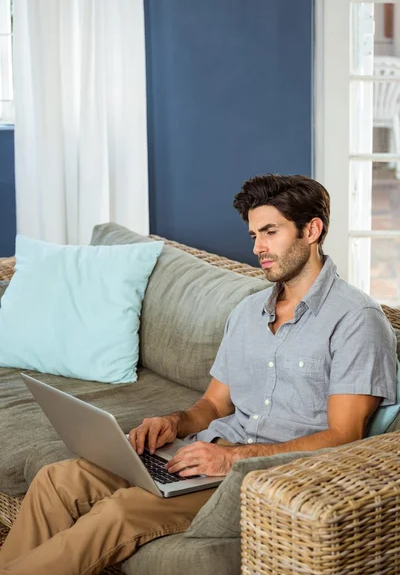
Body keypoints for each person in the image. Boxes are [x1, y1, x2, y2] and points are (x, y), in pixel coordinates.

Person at [0, 174, 396, 575]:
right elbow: (212, 404)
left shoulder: (356, 320)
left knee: (118, 512)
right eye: (254, 234)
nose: (258, 248)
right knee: (58, 479)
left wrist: (231, 458)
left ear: (312, 230)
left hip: (264, 480)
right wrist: (172, 422)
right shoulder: (247, 312)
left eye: (270, 232)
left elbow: (343, 437)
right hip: (199, 456)